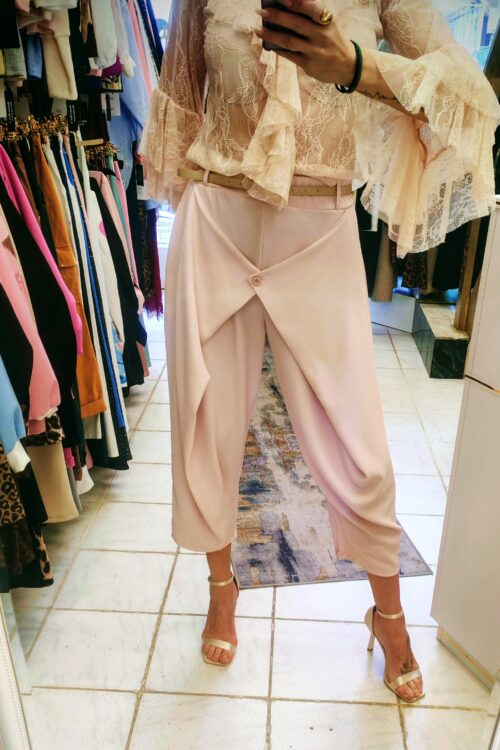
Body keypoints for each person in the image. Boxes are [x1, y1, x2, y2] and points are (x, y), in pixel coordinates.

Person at [140, 0, 499, 704]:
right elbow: (179, 96)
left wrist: (356, 67)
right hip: (216, 219)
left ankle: (388, 615)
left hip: (318, 227)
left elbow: (471, 99)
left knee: (360, 449)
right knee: (207, 425)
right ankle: (221, 586)